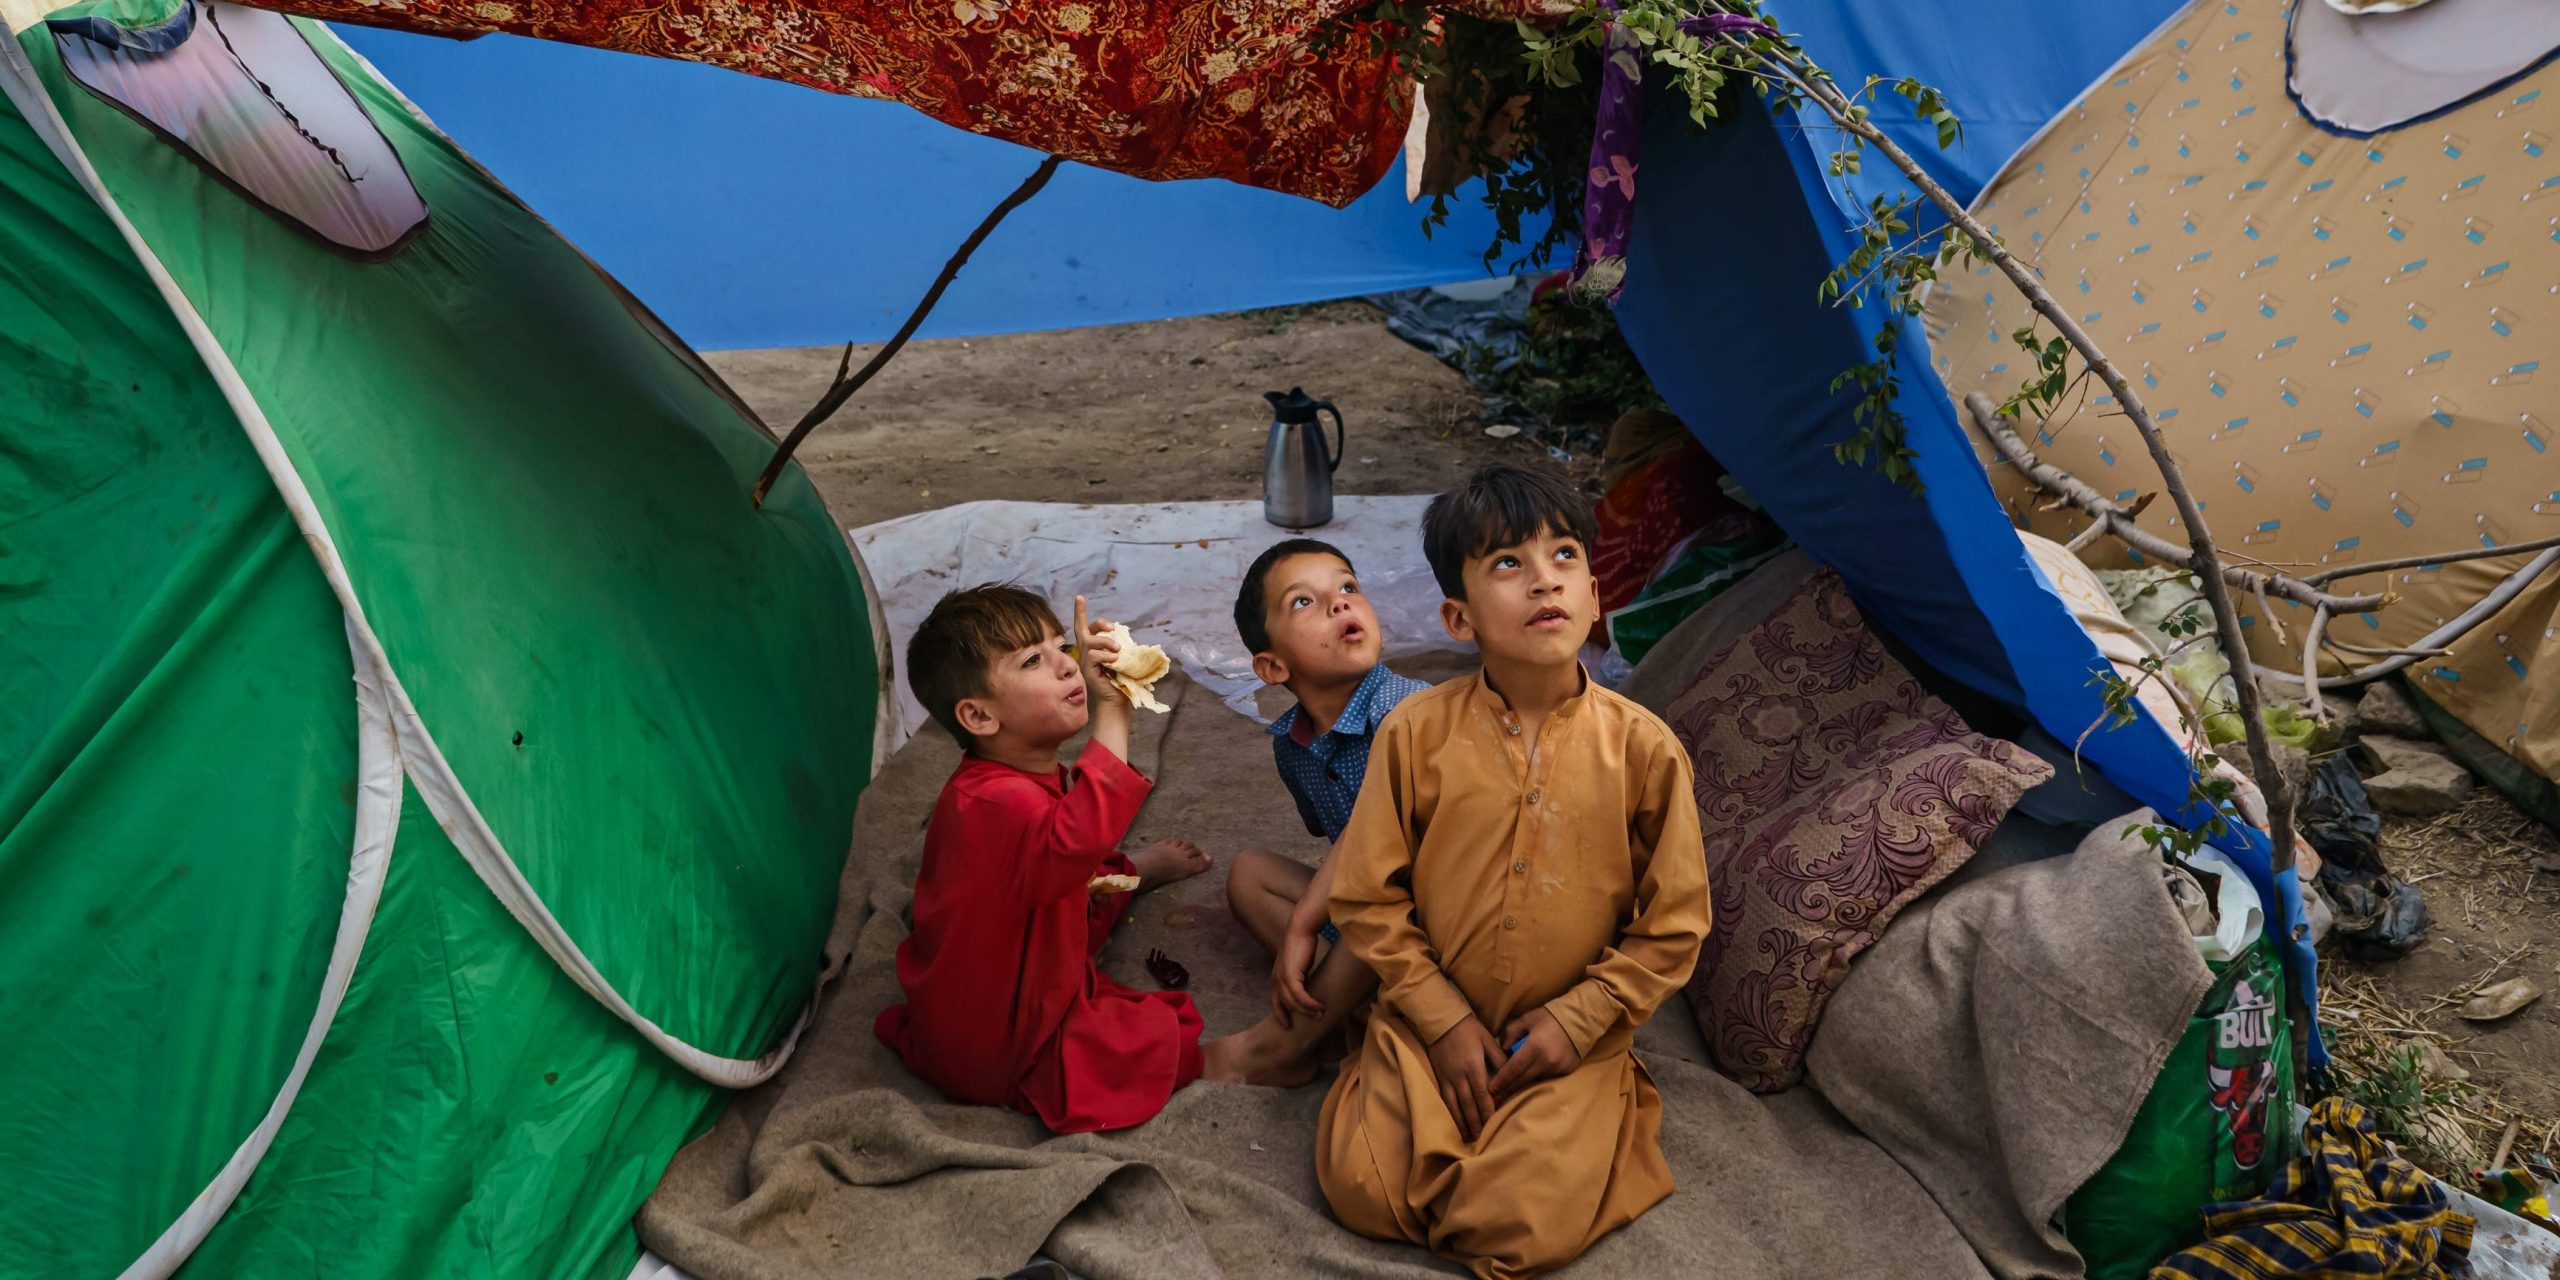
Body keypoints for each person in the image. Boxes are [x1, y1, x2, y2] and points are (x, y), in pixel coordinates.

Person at [1315, 463, 1712, 1278]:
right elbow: (1365, 897)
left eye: (1565, 557)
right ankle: (1393, 1071)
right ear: (1458, 617)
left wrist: (1581, 1018)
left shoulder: (1645, 751)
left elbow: (1674, 926)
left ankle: (1584, 1115)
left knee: (1515, 1227)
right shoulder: (1414, 734)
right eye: (1507, 564)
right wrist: (1442, 1020)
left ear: (1596, 598)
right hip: (1432, 1028)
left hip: (1568, 1039)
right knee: (1363, 1189)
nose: (1543, 582)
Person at [874, 584, 1216, 1133]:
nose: (1068, 666)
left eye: (1062, 646)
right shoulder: (990, 801)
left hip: (1032, 922)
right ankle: (1237, 1061)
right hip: (1002, 1048)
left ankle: (1134, 871)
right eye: (1035, 660)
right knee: (1152, 1042)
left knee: (1086, 878)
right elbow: (1077, 840)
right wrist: (1114, 709)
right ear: (979, 717)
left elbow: (1072, 851)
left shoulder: (1018, 775)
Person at [1206, 539, 1430, 1087]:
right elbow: (1336, 842)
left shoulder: (1412, 711)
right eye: (1304, 602)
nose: (1339, 604)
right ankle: (1346, 1007)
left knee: (1371, 905)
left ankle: (1284, 1044)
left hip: (1449, 917)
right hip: (1378, 918)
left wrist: (1308, 919)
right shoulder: (1292, 747)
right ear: (1273, 666)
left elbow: (1382, 832)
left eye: (1349, 587)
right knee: (1249, 875)